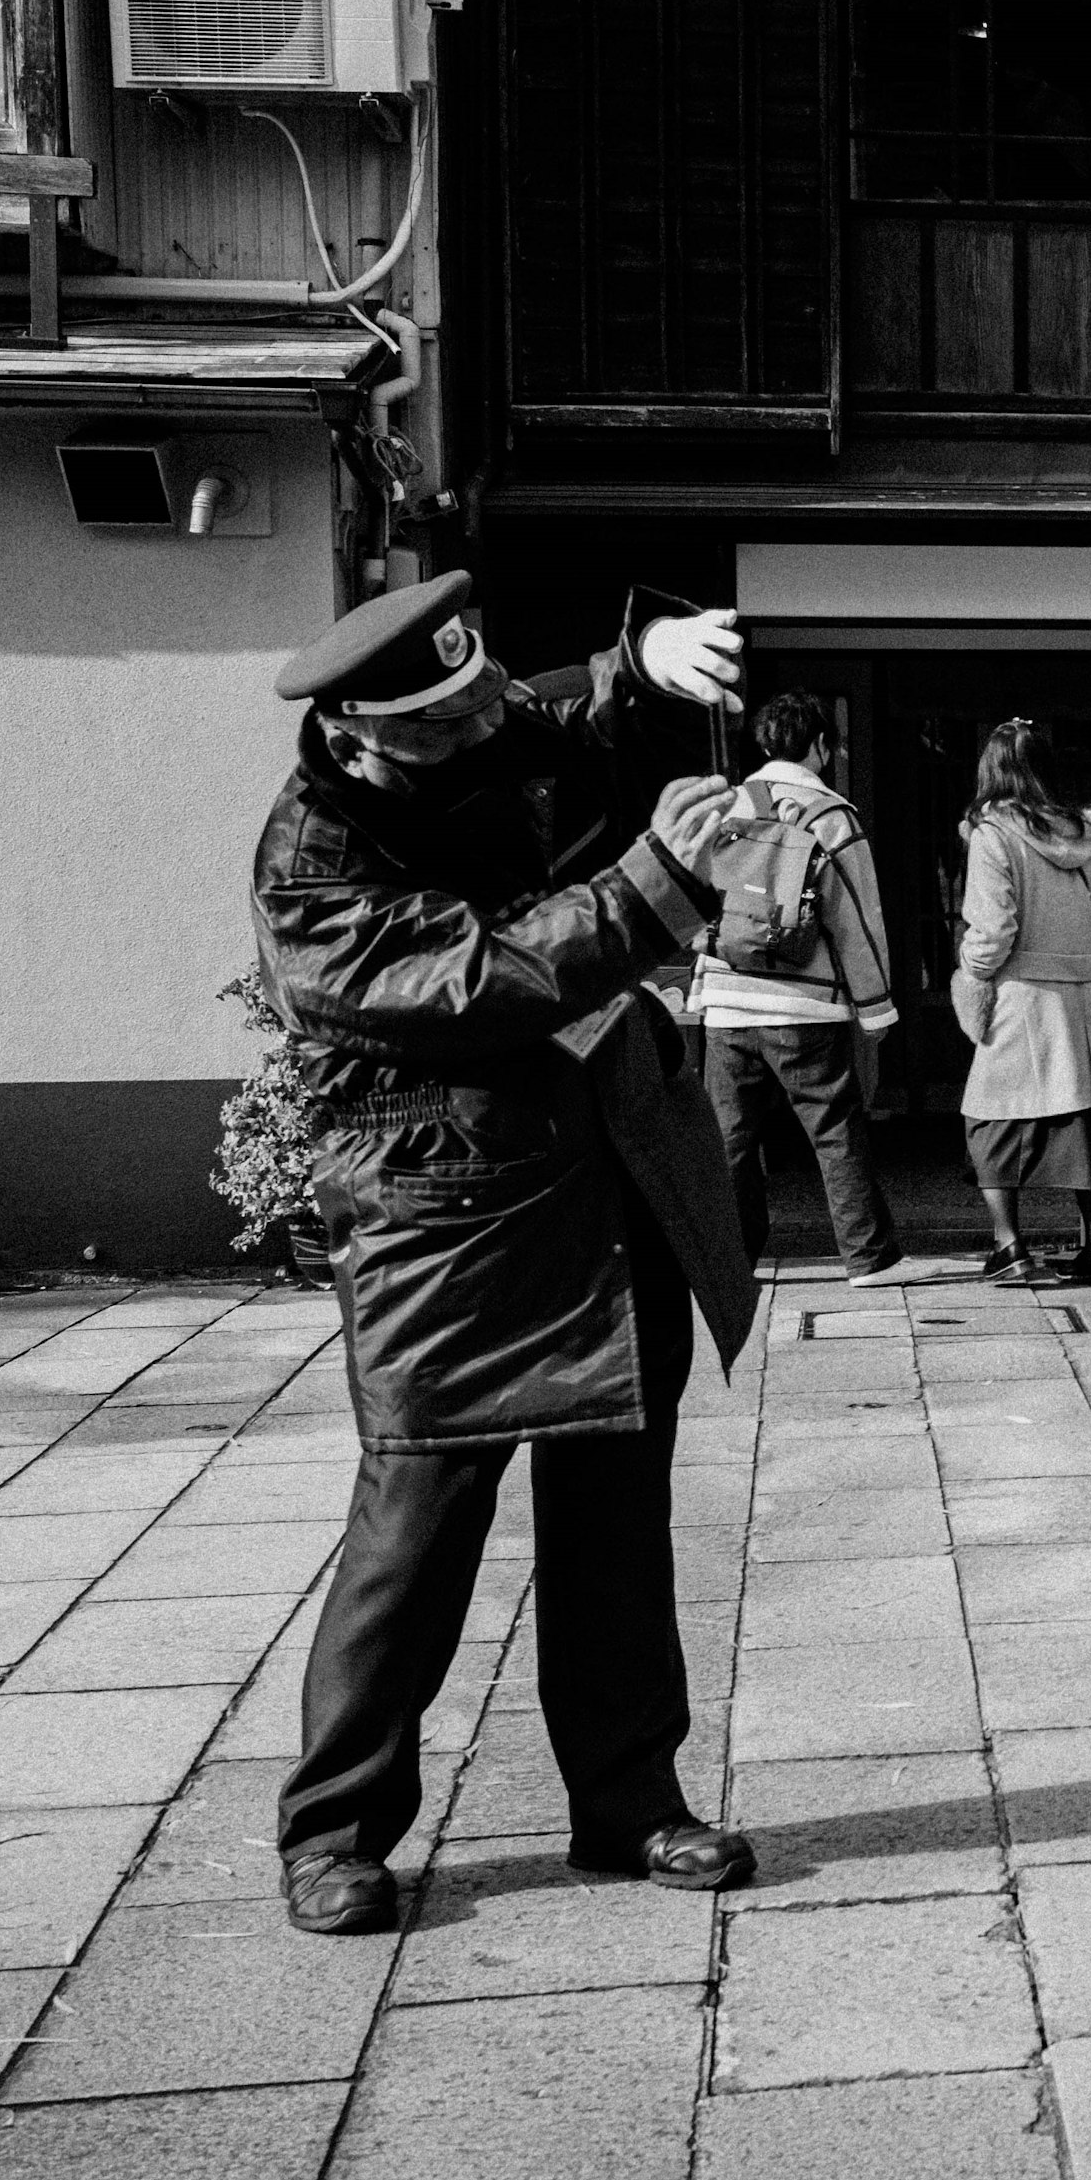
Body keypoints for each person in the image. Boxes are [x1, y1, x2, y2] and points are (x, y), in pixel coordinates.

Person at [254, 574, 762, 1935]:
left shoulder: (478, 722)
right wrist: (654, 879)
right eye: (446, 726)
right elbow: (480, 978)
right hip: (448, 1215)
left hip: (605, 1174)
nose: (485, 732)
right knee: (413, 1529)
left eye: (485, 702)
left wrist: (642, 657)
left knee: (616, 1517)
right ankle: (336, 1827)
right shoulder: (314, 858)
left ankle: (631, 1801)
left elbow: (550, 704)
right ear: (364, 737)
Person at [696, 690, 909, 1285]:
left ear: (764, 744)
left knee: (728, 1136)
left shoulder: (726, 808)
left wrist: (698, 978)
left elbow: (693, 896)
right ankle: (867, 1258)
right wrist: (876, 1007)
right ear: (818, 746)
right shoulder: (832, 817)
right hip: (803, 1004)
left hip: (727, 1000)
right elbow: (856, 918)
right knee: (835, 1128)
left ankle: (732, 1262)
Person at [955, 718, 1091, 1285]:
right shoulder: (1081, 830)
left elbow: (993, 927)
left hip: (1023, 991)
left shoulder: (991, 833)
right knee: (1086, 1117)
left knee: (991, 1118)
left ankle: (1010, 1248)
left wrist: (970, 974)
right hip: (1086, 989)